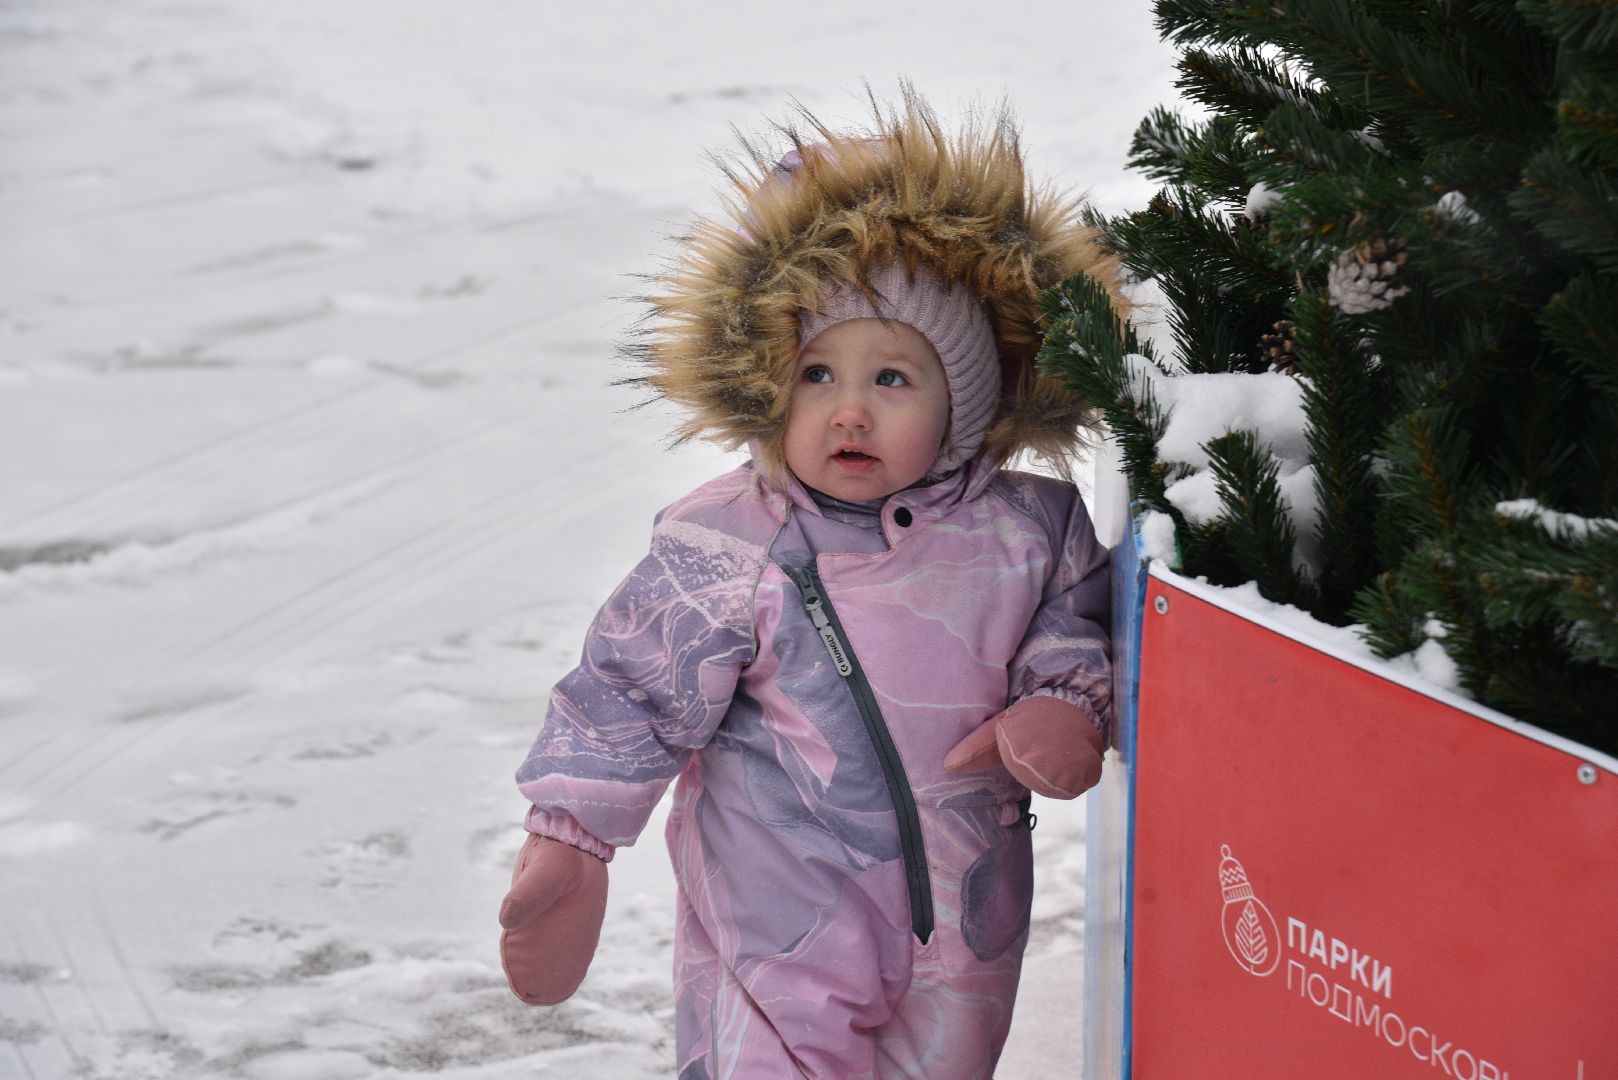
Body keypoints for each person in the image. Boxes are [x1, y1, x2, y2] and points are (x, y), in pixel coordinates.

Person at [500, 89, 1120, 1080]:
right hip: (776, 922)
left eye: (892, 379)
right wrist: (570, 841)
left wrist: (1061, 701)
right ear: (766, 383)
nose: (849, 413)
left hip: (966, 926)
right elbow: (628, 690)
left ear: (966, 404)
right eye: (816, 374)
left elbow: (1077, 619)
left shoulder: (1028, 530)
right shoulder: (729, 540)